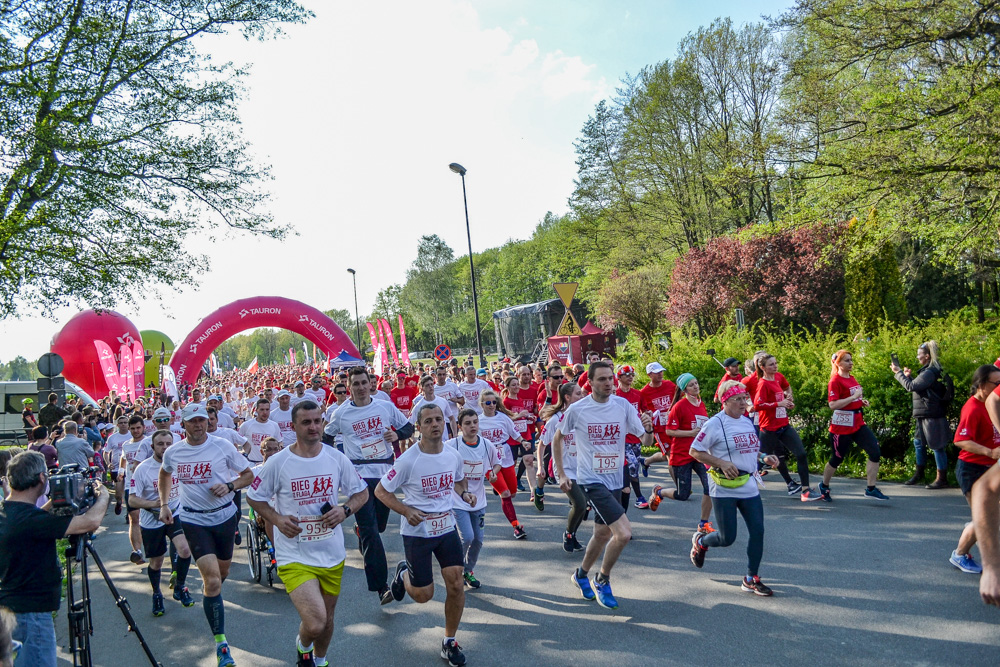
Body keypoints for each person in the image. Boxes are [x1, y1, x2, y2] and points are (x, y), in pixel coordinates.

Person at [248, 401, 369, 667]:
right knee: (315, 622)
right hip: (294, 553)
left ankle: (320, 660)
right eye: (306, 422)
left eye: (317, 421)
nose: (313, 427)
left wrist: (345, 510)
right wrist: (277, 519)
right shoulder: (279, 462)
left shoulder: (336, 458)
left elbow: (362, 492)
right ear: (293, 427)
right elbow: (254, 497)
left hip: (331, 552)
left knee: (328, 618)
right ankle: (303, 647)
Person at [158, 403, 254, 667]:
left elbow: (248, 474)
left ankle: (211, 592)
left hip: (224, 517)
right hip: (192, 519)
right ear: (184, 424)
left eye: (203, 420)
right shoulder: (174, 452)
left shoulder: (222, 446)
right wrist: (165, 504)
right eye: (193, 421)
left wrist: (230, 486)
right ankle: (222, 645)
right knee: (212, 581)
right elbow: (164, 473)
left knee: (222, 576)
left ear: (208, 421)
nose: (199, 425)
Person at [377, 403, 472, 667]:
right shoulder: (408, 459)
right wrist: (406, 510)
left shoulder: (453, 454)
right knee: (422, 596)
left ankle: (449, 642)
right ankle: (403, 573)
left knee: (455, 582)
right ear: (419, 427)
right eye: (428, 421)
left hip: (446, 527)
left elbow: (458, 479)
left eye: (439, 419)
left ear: (444, 423)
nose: (435, 425)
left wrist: (463, 493)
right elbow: (381, 492)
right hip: (418, 531)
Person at [554, 361, 653, 610]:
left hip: (615, 478)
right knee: (623, 533)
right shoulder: (578, 409)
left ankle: (580, 574)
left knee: (602, 534)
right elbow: (558, 437)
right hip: (590, 479)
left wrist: (649, 429)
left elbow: (645, 439)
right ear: (590, 382)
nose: (608, 383)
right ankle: (602, 579)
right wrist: (561, 473)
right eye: (602, 379)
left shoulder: (623, 406)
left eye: (610, 378)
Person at [0, 450, 109, 667]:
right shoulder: (31, 521)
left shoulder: (8, 511)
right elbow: (90, 522)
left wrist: (53, 501)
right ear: (42, 478)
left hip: (9, 609)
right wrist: (104, 494)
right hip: (31, 615)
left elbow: (33, 519)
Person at [324, 367, 414, 606]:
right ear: (349, 387)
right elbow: (326, 437)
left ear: (371, 384)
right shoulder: (341, 413)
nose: (361, 387)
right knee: (371, 532)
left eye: (365, 382)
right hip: (358, 474)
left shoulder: (384, 406)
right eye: (356, 384)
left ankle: (362, 531)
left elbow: (409, 428)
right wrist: (335, 461)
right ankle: (381, 586)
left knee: (380, 526)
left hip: (384, 473)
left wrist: (397, 436)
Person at [688, 381, 781, 596]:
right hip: (723, 487)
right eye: (737, 399)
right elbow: (695, 451)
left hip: (748, 484)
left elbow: (750, 450)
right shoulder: (714, 424)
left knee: (758, 531)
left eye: (744, 398)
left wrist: (763, 457)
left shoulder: (747, 421)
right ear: (725, 401)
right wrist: (721, 463)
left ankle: (751, 578)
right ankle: (701, 541)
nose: (743, 403)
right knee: (727, 538)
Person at [129, 430, 195, 615]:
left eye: (168, 444)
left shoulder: (179, 464)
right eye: (160, 444)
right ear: (152, 447)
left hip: (175, 514)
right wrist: (155, 504)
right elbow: (132, 500)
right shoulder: (143, 468)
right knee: (156, 563)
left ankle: (180, 587)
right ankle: (157, 593)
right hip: (152, 520)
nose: (165, 447)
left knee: (184, 550)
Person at [947, 364, 1000, 574]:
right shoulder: (973, 408)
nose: (999, 388)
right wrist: (989, 452)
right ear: (980, 384)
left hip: (990, 469)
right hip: (973, 469)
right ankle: (959, 554)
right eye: (996, 384)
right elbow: (960, 440)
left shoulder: (992, 404)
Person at [649, 373, 717, 531]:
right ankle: (659, 491)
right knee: (683, 495)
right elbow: (670, 431)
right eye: (691, 384)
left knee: (710, 487)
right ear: (684, 389)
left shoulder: (701, 404)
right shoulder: (679, 406)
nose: (696, 386)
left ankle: (703, 523)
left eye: (696, 383)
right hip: (682, 455)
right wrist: (691, 433)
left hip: (699, 453)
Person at [820, 351, 889, 501]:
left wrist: (860, 402)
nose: (851, 363)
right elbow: (833, 405)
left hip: (857, 423)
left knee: (875, 452)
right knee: (837, 458)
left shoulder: (851, 378)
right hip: (841, 427)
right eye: (847, 361)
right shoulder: (835, 381)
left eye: (851, 360)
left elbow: (853, 397)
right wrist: (853, 398)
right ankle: (824, 486)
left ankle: (870, 488)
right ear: (838, 363)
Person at [752, 355, 822, 501]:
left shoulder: (778, 377)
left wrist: (788, 401)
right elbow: (757, 405)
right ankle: (744, 487)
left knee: (801, 454)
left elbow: (784, 393)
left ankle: (805, 491)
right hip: (769, 428)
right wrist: (779, 404)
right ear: (763, 368)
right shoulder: (762, 384)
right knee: (758, 460)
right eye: (771, 365)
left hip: (783, 426)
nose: (775, 366)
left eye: (776, 363)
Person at [447, 409, 502, 589]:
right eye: (468, 423)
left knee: (478, 540)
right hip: (458, 500)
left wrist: (493, 473)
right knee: (467, 538)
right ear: (460, 426)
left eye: (475, 422)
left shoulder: (486, 445)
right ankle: (456, 569)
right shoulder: (452, 445)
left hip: (478, 500)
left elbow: (497, 462)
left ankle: (468, 571)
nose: (472, 426)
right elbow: (439, 459)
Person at [891, 340, 951, 488]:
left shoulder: (930, 372)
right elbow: (920, 387)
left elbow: (911, 387)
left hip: (932, 413)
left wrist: (899, 373)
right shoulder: (928, 372)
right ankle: (920, 474)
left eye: (919, 355)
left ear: (928, 356)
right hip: (925, 413)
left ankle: (941, 478)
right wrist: (908, 377)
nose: (917, 357)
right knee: (918, 443)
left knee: (937, 446)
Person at [540, 382, 586, 552]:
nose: (582, 397)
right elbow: (542, 444)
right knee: (580, 504)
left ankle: (572, 534)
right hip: (565, 470)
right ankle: (568, 533)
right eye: (578, 394)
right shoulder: (555, 419)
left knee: (584, 506)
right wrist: (540, 468)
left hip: (583, 468)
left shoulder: (583, 415)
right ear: (568, 397)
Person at [477, 391, 528, 539]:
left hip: (505, 456)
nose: (492, 405)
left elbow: (514, 433)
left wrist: (523, 441)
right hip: (489, 461)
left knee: (512, 493)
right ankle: (516, 526)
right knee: (505, 494)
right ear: (482, 404)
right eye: (488, 403)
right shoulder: (479, 421)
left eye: (494, 402)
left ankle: (500, 489)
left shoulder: (503, 418)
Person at [637, 362, 677, 474]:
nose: (660, 374)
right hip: (659, 429)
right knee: (671, 457)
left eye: (661, 371)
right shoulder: (644, 393)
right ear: (649, 375)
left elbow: (678, 400)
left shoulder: (669, 385)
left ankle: (646, 461)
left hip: (673, 425)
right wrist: (648, 416)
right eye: (657, 372)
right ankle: (680, 488)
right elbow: (643, 411)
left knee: (673, 454)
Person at [121, 414, 151, 565]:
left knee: (152, 518)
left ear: (143, 427)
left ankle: (154, 547)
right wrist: (121, 472)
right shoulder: (126, 444)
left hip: (148, 486)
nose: (135, 431)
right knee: (134, 518)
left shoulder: (149, 442)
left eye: (138, 428)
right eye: (132, 428)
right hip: (130, 485)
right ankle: (137, 551)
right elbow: (123, 459)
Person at [239, 399, 282, 465]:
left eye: (267, 409)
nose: (265, 412)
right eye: (262, 410)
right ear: (256, 410)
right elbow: (237, 443)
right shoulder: (246, 425)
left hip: (268, 464)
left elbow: (280, 443)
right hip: (251, 463)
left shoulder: (274, 425)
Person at [105, 416, 131, 514]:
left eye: (125, 422)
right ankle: (119, 502)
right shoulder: (112, 438)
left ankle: (129, 513)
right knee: (119, 493)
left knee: (129, 493)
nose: (123, 424)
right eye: (121, 423)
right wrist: (108, 463)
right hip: (116, 467)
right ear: (117, 425)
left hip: (129, 467)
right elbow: (106, 452)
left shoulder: (132, 436)